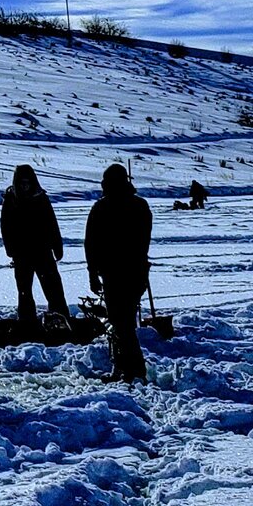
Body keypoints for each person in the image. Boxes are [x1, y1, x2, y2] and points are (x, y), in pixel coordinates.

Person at [86, 163, 155, 383]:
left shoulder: (111, 207)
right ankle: (124, 368)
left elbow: (92, 243)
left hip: (123, 272)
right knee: (121, 321)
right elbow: (91, 243)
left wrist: (93, 272)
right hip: (122, 273)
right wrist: (93, 272)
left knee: (122, 322)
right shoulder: (136, 205)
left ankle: (133, 370)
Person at [0, 164, 70, 329]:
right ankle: (26, 322)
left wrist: (57, 246)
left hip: (43, 251)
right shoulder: (11, 200)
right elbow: (6, 227)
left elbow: (52, 223)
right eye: (22, 182)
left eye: (28, 182)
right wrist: (11, 250)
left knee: (54, 289)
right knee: (24, 291)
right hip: (21, 253)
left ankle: (60, 320)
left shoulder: (40, 198)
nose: (25, 186)